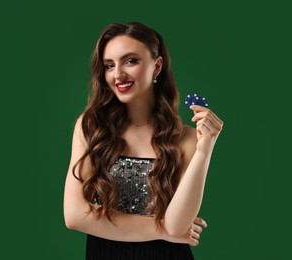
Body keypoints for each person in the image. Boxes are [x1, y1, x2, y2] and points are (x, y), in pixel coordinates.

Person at [64, 21, 223, 260]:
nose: (118, 74)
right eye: (109, 65)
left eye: (130, 61)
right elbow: (75, 216)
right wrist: (161, 230)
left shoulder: (187, 138)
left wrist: (206, 147)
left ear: (157, 66)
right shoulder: (91, 127)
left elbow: (177, 226)